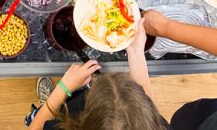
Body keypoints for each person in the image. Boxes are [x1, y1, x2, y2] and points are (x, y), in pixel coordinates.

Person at [25, 21, 168, 129]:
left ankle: (52, 104)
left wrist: (63, 87)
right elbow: (147, 107)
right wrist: (136, 52)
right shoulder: (152, 123)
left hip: (64, 116)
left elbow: (36, 128)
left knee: (47, 115)